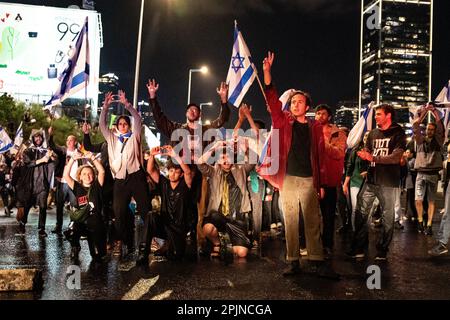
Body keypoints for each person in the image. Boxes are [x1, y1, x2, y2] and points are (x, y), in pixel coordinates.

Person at [260, 51, 338, 279]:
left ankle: (316, 260)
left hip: (309, 179)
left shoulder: (315, 128)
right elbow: (272, 101)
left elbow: (320, 157)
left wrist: (320, 183)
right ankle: (293, 261)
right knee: (291, 222)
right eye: (293, 101)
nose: (295, 104)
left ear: (307, 107)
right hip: (289, 179)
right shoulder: (283, 120)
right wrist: (267, 73)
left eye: (299, 102)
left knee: (313, 221)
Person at [348, 104, 406, 261]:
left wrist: (372, 158)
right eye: (375, 114)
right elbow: (368, 151)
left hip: (388, 182)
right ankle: (359, 247)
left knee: (387, 218)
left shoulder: (398, 132)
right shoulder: (373, 133)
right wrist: (365, 154)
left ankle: (382, 250)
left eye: (379, 114)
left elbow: (395, 157)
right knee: (360, 211)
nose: (375, 117)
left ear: (388, 116)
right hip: (371, 180)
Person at [99, 90, 151, 257]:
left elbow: (138, 119)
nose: (122, 126)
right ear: (117, 127)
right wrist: (105, 108)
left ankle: (152, 239)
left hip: (136, 176)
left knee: (145, 209)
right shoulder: (112, 138)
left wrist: (127, 105)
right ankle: (119, 241)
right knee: (119, 211)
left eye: (125, 124)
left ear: (129, 126)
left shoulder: (135, 136)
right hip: (120, 179)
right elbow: (102, 126)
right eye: (120, 124)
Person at [198, 140, 254, 259]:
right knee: (208, 228)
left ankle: (231, 241)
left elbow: (253, 160)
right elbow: (200, 163)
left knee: (242, 253)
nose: (226, 160)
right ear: (218, 160)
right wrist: (213, 148)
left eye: (228, 157)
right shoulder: (213, 172)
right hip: (218, 216)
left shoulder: (241, 169)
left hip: (236, 218)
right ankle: (217, 244)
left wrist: (246, 149)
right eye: (222, 157)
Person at [138, 145, 194, 264]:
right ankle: (143, 253)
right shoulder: (164, 183)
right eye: (171, 171)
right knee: (151, 216)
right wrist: (152, 155)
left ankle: (169, 246)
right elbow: (151, 170)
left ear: (181, 174)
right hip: (165, 225)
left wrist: (174, 156)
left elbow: (188, 171)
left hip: (179, 229)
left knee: (175, 257)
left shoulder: (185, 185)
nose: (173, 174)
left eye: (176, 171)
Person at [314, 104, 346, 257]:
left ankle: (327, 245)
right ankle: (313, 244)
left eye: (323, 114)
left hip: (330, 181)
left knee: (328, 216)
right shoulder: (310, 131)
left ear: (330, 116)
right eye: (317, 113)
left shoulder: (338, 133)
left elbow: (339, 153)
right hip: (313, 180)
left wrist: (323, 143)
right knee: (312, 216)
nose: (319, 116)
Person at [63, 151, 107, 262]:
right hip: (81, 222)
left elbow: (101, 171)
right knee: (72, 228)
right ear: (80, 177)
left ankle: (97, 246)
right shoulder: (77, 186)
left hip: (96, 225)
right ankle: (75, 246)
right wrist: (72, 159)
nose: (87, 176)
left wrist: (92, 157)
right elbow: (66, 175)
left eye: (90, 173)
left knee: (98, 257)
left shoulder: (97, 185)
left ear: (93, 175)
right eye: (84, 174)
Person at [412, 104, 444, 235]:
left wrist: (435, 112)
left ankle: (429, 224)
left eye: (432, 129)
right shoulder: (420, 140)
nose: (429, 131)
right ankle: (420, 221)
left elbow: (440, 126)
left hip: (433, 174)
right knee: (418, 200)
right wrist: (425, 111)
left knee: (431, 200)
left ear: (435, 131)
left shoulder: (438, 141)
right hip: (420, 172)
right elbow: (416, 126)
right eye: (428, 129)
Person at [20, 130, 54, 237]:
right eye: (36, 137)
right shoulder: (28, 151)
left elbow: (53, 160)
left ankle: (41, 229)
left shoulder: (45, 150)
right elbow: (28, 163)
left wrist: (50, 156)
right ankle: (22, 223)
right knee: (27, 206)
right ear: (33, 139)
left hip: (42, 183)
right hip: (31, 184)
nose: (38, 139)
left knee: (43, 206)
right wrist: (42, 160)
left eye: (40, 137)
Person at [48, 128, 80, 235]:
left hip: (74, 183)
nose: (68, 142)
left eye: (71, 140)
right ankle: (58, 226)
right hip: (62, 182)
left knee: (74, 205)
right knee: (59, 205)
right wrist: (51, 135)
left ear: (75, 142)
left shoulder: (79, 153)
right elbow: (52, 146)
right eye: (67, 140)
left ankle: (73, 225)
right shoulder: (62, 151)